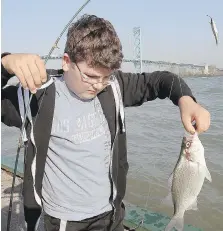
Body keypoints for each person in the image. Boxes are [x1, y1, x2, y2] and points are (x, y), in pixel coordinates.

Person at [1, 14, 210, 231]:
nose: (98, 85)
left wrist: (186, 100)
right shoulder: (37, 96)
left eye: (106, 77)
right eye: (90, 76)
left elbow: (162, 80)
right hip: (65, 221)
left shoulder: (114, 86)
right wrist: (5, 64)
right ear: (66, 62)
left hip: (111, 215)